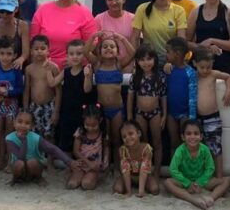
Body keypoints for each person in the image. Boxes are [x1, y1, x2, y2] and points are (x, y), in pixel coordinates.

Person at [84, 31, 134, 159]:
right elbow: (86, 52)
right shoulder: (97, 64)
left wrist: (122, 38)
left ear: (117, 51)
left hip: (117, 109)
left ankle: (117, 166)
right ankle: (105, 165)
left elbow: (133, 53)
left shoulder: (118, 65)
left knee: (117, 139)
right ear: (99, 51)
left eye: (112, 46)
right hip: (102, 109)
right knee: (105, 139)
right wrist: (94, 36)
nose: (108, 49)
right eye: (105, 46)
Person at [31, 0, 96, 69]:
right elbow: (33, 40)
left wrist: (77, 59)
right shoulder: (43, 10)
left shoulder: (84, 12)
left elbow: (92, 42)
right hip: (45, 67)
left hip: (73, 68)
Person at [164, 119, 230, 209]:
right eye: (188, 134)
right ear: (183, 137)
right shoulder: (180, 150)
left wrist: (199, 182)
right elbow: (173, 169)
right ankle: (192, 199)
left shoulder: (204, 150)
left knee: (226, 180)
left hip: (202, 182)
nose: (192, 137)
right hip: (185, 181)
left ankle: (211, 198)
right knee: (167, 182)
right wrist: (187, 183)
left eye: (196, 133)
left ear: (201, 136)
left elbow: (210, 168)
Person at [186, 0, 230, 75]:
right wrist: (202, 47)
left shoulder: (228, 13)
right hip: (199, 66)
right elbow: (186, 42)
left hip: (223, 68)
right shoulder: (195, 12)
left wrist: (212, 41)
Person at [192, 47, 230, 178]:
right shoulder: (192, 75)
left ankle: (219, 176)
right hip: (197, 118)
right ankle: (204, 176)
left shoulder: (213, 74)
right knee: (200, 148)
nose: (205, 70)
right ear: (195, 64)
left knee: (216, 148)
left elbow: (228, 77)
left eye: (208, 67)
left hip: (212, 118)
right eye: (202, 67)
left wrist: (228, 90)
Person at [5, 111, 78, 185]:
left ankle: (38, 178)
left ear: (32, 126)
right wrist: (24, 141)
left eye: (27, 123)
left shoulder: (36, 138)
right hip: (20, 168)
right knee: (19, 163)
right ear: (14, 123)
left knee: (32, 162)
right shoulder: (10, 138)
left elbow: (52, 149)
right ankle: (15, 179)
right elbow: (20, 157)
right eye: (20, 122)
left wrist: (69, 161)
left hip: (34, 168)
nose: (23, 125)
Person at [126, 44, 167, 176]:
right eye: (142, 59)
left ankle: (157, 172)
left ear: (155, 60)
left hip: (155, 113)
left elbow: (163, 97)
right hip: (139, 113)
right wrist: (129, 116)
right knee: (142, 143)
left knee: (157, 141)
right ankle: (143, 171)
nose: (146, 62)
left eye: (149, 59)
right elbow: (130, 97)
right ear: (137, 61)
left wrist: (164, 115)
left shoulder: (160, 77)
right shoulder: (135, 77)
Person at [131, 0, 187, 64]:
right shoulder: (142, 9)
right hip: (149, 62)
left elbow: (181, 41)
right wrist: (137, 61)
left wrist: (175, 62)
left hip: (170, 63)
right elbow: (134, 38)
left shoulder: (179, 11)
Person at [49, 40, 95, 153]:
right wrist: (47, 68)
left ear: (83, 55)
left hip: (81, 113)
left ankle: (79, 160)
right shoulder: (66, 71)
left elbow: (87, 89)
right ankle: (68, 162)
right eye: (72, 54)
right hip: (66, 112)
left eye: (79, 54)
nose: (75, 57)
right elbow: (53, 83)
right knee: (66, 137)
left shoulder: (86, 70)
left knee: (80, 138)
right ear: (67, 55)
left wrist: (88, 76)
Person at [0, 37, 25, 171]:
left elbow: (20, 89)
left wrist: (8, 93)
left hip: (11, 106)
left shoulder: (16, 70)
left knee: (9, 135)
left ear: (15, 55)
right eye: (2, 53)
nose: (5, 57)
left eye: (9, 54)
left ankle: (10, 161)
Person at [164, 37, 198, 156]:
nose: (166, 55)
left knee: (188, 143)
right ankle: (175, 169)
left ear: (177, 54)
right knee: (173, 142)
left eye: (168, 52)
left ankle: (187, 168)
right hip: (171, 114)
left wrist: (192, 117)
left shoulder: (190, 72)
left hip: (185, 113)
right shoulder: (168, 70)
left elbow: (193, 97)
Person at [23, 35, 60, 143]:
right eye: (36, 49)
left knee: (49, 135)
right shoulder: (29, 69)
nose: (39, 51)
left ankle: (49, 160)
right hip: (34, 106)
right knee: (33, 134)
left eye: (42, 49)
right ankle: (35, 158)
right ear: (31, 51)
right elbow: (26, 91)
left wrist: (56, 111)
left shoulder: (53, 67)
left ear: (48, 51)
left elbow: (58, 91)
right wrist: (26, 110)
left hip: (50, 105)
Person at [67, 105, 110, 190]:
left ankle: (95, 177)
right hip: (82, 163)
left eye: (94, 125)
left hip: (94, 167)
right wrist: (88, 162)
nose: (90, 128)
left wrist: (105, 160)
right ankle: (77, 174)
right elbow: (75, 151)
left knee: (86, 184)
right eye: (87, 125)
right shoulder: (80, 131)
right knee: (72, 184)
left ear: (100, 120)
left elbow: (106, 147)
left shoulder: (103, 133)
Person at [114, 120, 160, 197]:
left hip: (144, 176)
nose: (128, 138)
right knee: (117, 189)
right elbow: (125, 169)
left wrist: (141, 191)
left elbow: (145, 168)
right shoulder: (123, 150)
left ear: (139, 133)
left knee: (155, 189)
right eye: (124, 136)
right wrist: (128, 192)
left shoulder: (146, 148)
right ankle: (129, 188)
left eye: (131, 134)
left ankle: (141, 188)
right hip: (129, 176)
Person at [94, 0, 135, 71]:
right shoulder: (99, 18)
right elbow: (95, 46)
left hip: (128, 66)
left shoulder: (133, 19)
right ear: (106, 1)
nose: (113, 2)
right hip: (106, 67)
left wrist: (128, 65)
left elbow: (136, 44)